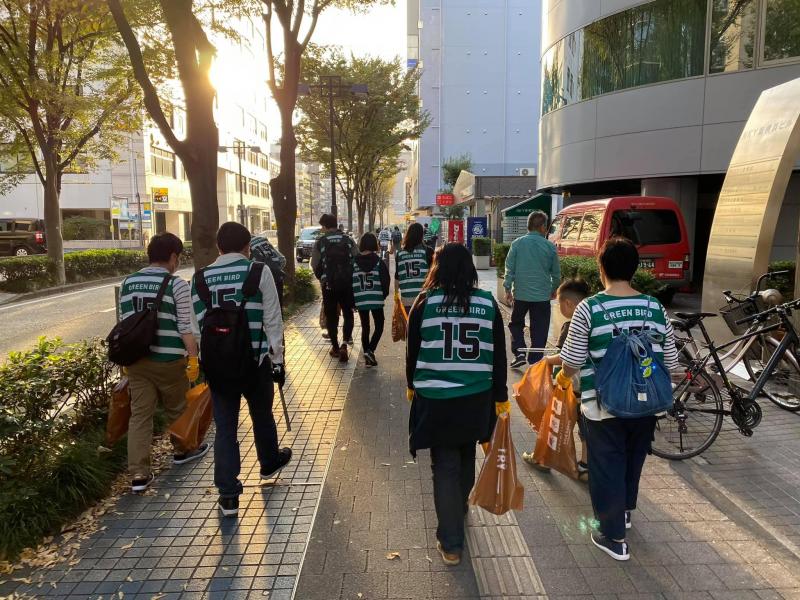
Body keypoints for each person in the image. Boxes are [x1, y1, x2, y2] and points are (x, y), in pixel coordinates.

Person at [559, 237, 678, 561]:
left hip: (603, 404)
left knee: (607, 464)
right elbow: (672, 361)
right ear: (635, 269)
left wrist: (562, 378)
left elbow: (570, 360)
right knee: (633, 458)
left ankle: (613, 537)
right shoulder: (654, 307)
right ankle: (624, 512)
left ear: (601, 269)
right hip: (646, 404)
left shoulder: (589, 308)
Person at [406, 243, 508, 566]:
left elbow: (413, 353)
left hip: (437, 400)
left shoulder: (424, 303)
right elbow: (499, 358)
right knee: (465, 451)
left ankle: (451, 543)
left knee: (444, 464)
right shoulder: (488, 304)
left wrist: (412, 386)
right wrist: (501, 398)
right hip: (477, 398)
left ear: (437, 269)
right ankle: (459, 504)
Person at [191, 222, 292, 517]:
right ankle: (269, 462)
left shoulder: (200, 279)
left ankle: (228, 495)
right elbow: (273, 319)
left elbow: (197, 328)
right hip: (255, 361)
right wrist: (278, 360)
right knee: (261, 414)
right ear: (248, 246)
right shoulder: (258, 272)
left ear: (219, 247)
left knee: (225, 426)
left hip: (218, 367)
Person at [119, 233, 209, 492]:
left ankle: (138, 474)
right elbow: (185, 327)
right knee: (178, 408)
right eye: (177, 257)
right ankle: (183, 450)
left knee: (140, 416)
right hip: (169, 359)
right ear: (172, 256)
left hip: (137, 360)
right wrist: (194, 358)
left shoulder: (129, 282)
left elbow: (125, 324)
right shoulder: (176, 285)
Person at [522, 278, 591, 480]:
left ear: (568, 303)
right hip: (592, 388)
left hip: (572, 386)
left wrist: (546, 361)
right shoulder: (596, 318)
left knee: (553, 420)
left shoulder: (572, 325)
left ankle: (543, 458)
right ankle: (585, 466)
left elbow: (566, 358)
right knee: (585, 427)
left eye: (559, 303)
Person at [504, 210, 561, 368]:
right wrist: (553, 289)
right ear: (542, 227)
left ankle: (520, 352)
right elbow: (556, 274)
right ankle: (536, 361)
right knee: (540, 328)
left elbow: (510, 269)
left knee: (516, 324)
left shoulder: (517, 243)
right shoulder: (550, 247)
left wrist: (507, 288)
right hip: (542, 296)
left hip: (521, 294)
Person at [312, 214, 359, 362]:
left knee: (331, 316)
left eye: (322, 227)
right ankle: (345, 344)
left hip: (329, 285)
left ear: (325, 226)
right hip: (347, 284)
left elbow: (314, 263)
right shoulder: (348, 240)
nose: (321, 229)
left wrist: (323, 277)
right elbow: (357, 258)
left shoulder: (321, 242)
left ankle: (335, 347)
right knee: (348, 313)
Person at [352, 232, 390, 367]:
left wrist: (353, 300)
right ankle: (370, 350)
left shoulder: (354, 261)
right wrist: (383, 295)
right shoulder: (378, 261)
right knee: (379, 325)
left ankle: (368, 354)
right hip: (376, 299)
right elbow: (386, 281)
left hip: (360, 299)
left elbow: (350, 282)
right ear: (374, 244)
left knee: (365, 327)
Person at [396, 222, 434, 311]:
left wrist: (395, 295)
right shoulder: (428, 251)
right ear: (421, 235)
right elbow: (434, 275)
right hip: (424, 298)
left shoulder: (400, 254)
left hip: (406, 299)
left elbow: (397, 277)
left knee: (409, 324)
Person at [250, 234, 286, 307]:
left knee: (266, 308)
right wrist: (276, 268)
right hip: (277, 277)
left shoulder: (245, 246)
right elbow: (282, 259)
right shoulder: (262, 239)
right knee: (278, 307)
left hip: (262, 282)